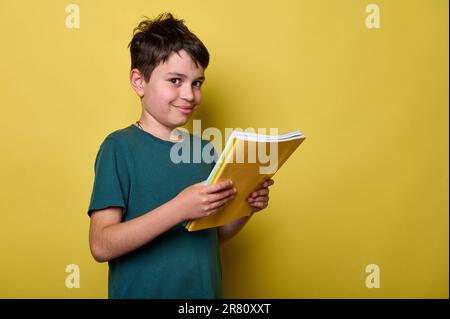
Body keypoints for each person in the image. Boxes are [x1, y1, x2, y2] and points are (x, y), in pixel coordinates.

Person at [87, 12, 274, 299]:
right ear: (139, 81)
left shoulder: (205, 151)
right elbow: (101, 244)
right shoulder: (119, 147)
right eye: (175, 80)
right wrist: (179, 208)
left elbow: (213, 236)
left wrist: (246, 208)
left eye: (197, 83)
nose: (189, 94)